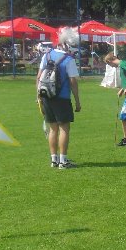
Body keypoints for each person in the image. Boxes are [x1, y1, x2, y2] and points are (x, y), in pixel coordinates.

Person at [37, 28, 81, 168]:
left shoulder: (47, 55)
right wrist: (77, 101)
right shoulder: (68, 59)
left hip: (46, 96)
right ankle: (63, 160)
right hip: (62, 98)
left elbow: (39, 77)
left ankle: (54, 160)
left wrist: (38, 97)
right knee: (64, 129)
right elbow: (73, 82)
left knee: (53, 129)